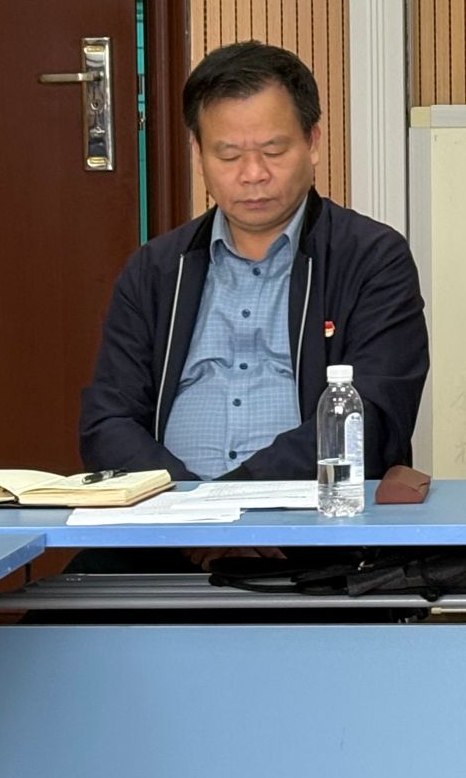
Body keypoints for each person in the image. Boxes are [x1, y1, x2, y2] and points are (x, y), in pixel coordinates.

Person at [79, 41, 429, 484]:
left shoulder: (371, 259)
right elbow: (108, 420)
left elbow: (374, 417)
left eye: (274, 151)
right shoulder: (156, 270)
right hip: (167, 511)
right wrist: (182, 503)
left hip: (310, 513)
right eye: (228, 155)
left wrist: (233, 499)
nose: (252, 174)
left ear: (313, 142)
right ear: (198, 153)